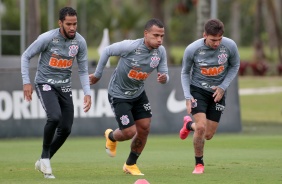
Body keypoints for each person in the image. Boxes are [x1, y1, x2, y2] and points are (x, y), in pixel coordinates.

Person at [89, 18, 169, 176]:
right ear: (146, 34)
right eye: (155, 35)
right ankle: (111, 136)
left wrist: (164, 78)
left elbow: (165, 74)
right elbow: (106, 51)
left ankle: (130, 164)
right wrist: (98, 75)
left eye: (162, 36)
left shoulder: (160, 52)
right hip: (118, 94)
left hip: (138, 94)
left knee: (145, 128)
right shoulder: (130, 46)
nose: (159, 39)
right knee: (129, 132)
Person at [21, 7, 91, 179]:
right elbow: (25, 56)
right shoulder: (47, 38)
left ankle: (43, 160)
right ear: (60, 23)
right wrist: (26, 82)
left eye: (75, 24)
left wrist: (87, 92)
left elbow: (83, 70)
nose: (72, 27)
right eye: (68, 24)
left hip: (64, 87)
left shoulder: (80, 42)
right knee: (54, 117)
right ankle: (45, 158)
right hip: (45, 83)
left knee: (66, 128)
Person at [179, 19, 240, 174]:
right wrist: (187, 96)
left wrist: (223, 87)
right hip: (197, 90)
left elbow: (235, 66)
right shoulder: (192, 49)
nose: (216, 43)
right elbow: (185, 72)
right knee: (200, 127)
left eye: (219, 39)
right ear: (204, 35)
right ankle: (199, 164)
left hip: (218, 93)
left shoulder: (230, 46)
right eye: (213, 40)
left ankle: (188, 126)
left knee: (208, 134)